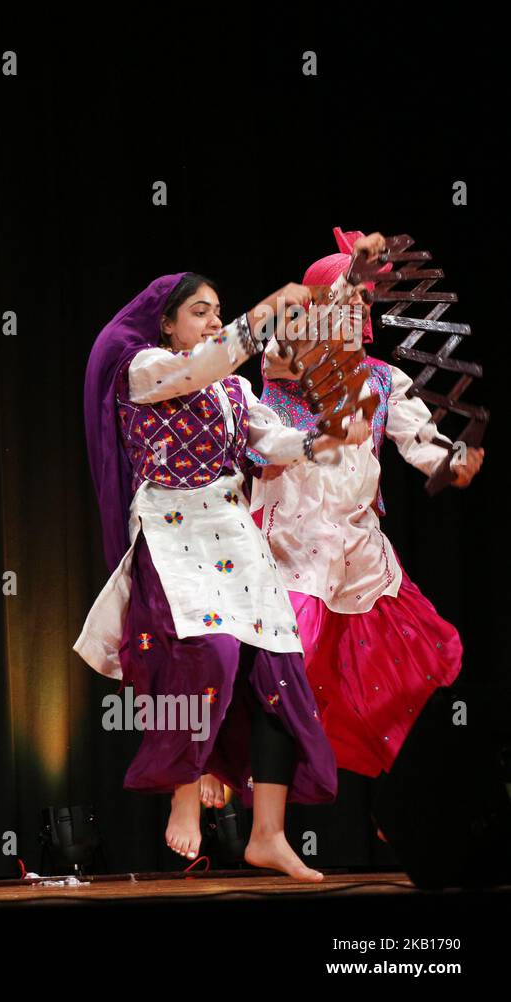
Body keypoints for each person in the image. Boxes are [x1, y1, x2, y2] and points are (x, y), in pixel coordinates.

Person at [74, 268, 374, 880]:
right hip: (172, 528)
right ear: (166, 322)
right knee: (206, 653)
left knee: (279, 675)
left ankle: (268, 834)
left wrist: (328, 435)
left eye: (219, 311)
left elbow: (272, 444)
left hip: (235, 533)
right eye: (200, 312)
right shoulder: (141, 370)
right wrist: (263, 313)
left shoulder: (234, 391)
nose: (213, 320)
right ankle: (184, 797)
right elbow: (198, 367)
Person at [243, 227, 484, 781]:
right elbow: (282, 349)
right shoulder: (286, 367)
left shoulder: (384, 379)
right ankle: (254, 801)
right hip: (291, 545)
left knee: (405, 672)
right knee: (286, 667)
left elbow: (422, 443)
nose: (355, 309)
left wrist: (455, 460)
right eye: (343, 300)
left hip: (357, 551)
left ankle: (405, 799)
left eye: (359, 302)